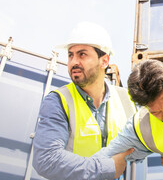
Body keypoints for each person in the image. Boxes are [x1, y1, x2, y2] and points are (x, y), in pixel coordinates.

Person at [32, 21, 136, 180]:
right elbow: (46, 159)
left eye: (82, 54)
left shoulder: (127, 99)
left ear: (104, 61)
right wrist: (107, 168)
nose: (73, 62)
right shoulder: (58, 101)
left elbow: (150, 134)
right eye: (70, 55)